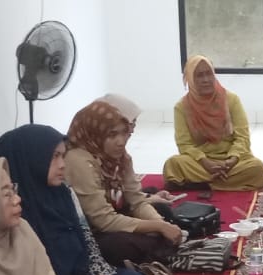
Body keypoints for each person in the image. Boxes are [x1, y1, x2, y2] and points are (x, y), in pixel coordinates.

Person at [0, 124, 193, 275]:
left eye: (63, 156)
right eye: (55, 157)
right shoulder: (12, 208)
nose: (62, 164)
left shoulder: (64, 192)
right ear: (32, 159)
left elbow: (87, 240)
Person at [64, 96, 184, 265]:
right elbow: (103, 220)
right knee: (121, 246)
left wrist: (160, 224)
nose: (121, 142)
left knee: (162, 211)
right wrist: (159, 228)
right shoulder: (79, 161)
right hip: (91, 231)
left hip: (115, 214)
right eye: (112, 135)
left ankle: (159, 246)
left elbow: (137, 202)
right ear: (95, 133)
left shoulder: (119, 157)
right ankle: (158, 248)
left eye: (124, 133)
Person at [163, 56, 263, 193]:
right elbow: (184, 144)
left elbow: (242, 136)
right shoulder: (182, 107)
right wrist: (206, 162)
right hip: (200, 162)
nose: (206, 80)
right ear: (190, 79)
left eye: (209, 74)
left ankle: (203, 184)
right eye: (199, 75)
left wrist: (232, 160)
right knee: (172, 165)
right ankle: (220, 182)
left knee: (257, 168)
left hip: (232, 161)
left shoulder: (231, 100)